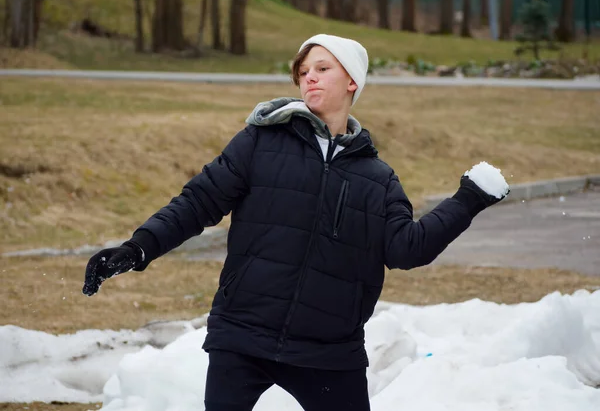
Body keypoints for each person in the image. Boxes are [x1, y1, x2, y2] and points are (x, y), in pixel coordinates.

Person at [83, 34, 509, 410]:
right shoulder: (260, 143)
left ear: (352, 82)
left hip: (329, 353)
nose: (309, 77)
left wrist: (467, 200)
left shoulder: (377, 179)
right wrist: (138, 247)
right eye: (303, 71)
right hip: (243, 335)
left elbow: (407, 248)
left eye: (322, 68)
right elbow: (198, 202)